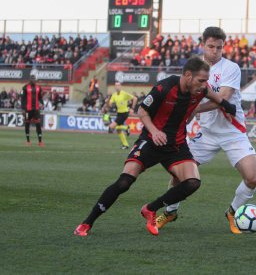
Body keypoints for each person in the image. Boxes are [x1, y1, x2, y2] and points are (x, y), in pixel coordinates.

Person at [73, 56, 237, 237]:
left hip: (176, 144)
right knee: (124, 181)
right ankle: (87, 223)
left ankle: (150, 209)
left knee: (192, 182)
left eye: (206, 81)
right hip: (151, 141)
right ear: (188, 75)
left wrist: (229, 110)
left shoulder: (201, 89)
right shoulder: (164, 87)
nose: (204, 85)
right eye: (201, 80)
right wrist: (155, 131)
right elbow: (141, 111)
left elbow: (221, 101)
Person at [156, 26, 256, 235]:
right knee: (179, 173)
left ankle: (232, 212)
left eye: (219, 48)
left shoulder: (230, 68)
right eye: (211, 46)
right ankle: (170, 211)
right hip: (207, 133)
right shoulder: (195, 69)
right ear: (203, 45)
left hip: (233, 132)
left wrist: (194, 109)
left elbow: (223, 98)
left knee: (252, 178)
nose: (215, 51)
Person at [104, 81, 138, 149]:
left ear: (120, 86)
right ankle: (125, 145)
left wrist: (132, 108)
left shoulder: (124, 94)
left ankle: (126, 128)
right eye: (116, 85)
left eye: (118, 85)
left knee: (111, 127)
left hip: (124, 113)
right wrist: (107, 101)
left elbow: (135, 98)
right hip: (119, 113)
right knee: (118, 130)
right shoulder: (114, 95)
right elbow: (109, 105)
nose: (117, 87)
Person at [21, 74, 44, 146]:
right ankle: (28, 141)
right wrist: (23, 109)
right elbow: (23, 99)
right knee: (27, 124)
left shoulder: (39, 88)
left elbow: (40, 97)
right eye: (32, 78)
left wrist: (42, 103)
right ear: (30, 79)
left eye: (34, 78)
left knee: (38, 125)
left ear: (35, 79)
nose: (33, 80)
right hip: (27, 110)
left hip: (36, 110)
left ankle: (40, 142)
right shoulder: (25, 87)